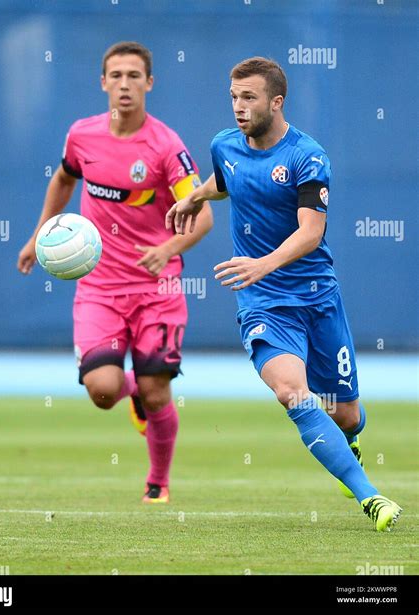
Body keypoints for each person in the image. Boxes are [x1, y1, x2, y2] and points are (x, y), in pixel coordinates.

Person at [166, 56, 402, 531]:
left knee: (348, 416)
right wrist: (194, 195)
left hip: (317, 299)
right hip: (263, 305)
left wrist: (263, 262)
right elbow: (228, 176)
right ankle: (371, 498)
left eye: (248, 97)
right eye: (233, 96)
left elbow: (311, 233)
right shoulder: (223, 145)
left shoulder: (307, 157)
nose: (237, 106)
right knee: (293, 393)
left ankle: (349, 441)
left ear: (276, 101)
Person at [18, 41, 213, 504]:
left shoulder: (166, 146)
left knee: (157, 390)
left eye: (134, 75)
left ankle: (158, 484)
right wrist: (38, 235)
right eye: (116, 75)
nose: (125, 84)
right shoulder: (82, 136)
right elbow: (64, 178)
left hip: (157, 288)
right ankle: (133, 396)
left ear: (149, 83)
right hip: (100, 287)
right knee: (104, 391)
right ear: (103, 82)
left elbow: (203, 216)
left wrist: (168, 248)